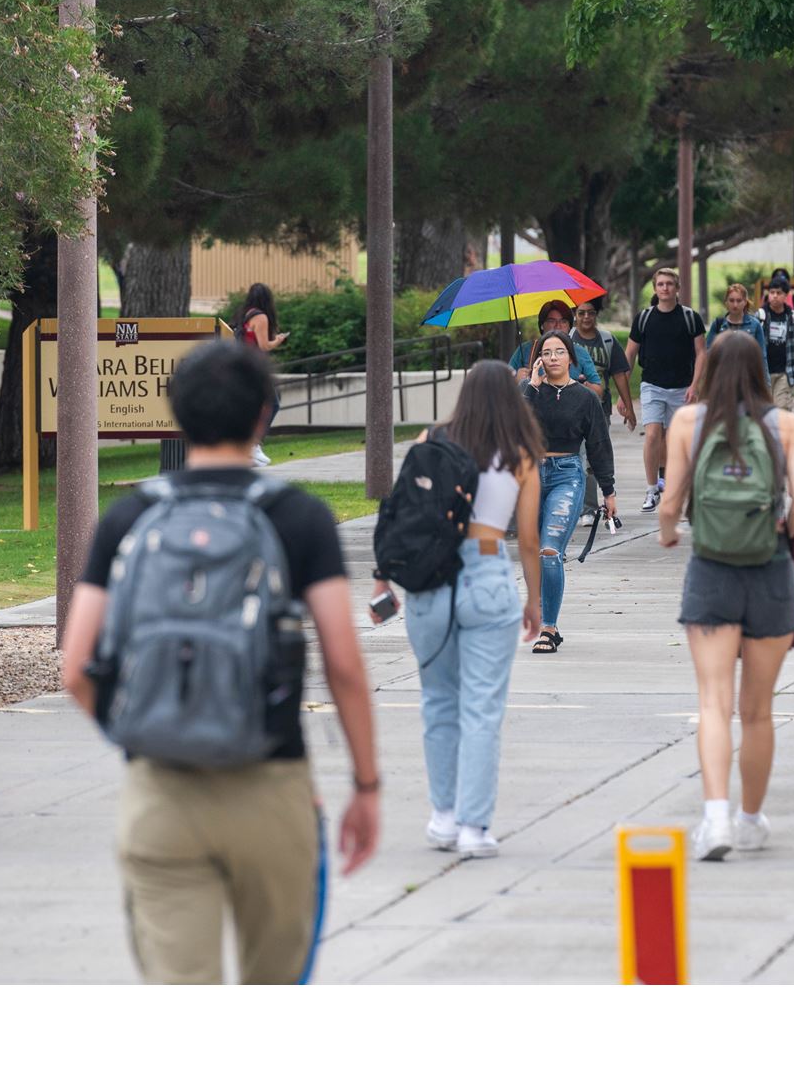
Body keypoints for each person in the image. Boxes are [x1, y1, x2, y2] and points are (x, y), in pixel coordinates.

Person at [58, 338, 380, 983]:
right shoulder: (299, 518)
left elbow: (75, 665)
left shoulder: (131, 516)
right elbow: (343, 664)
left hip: (162, 793)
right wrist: (366, 786)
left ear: (179, 416)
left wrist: (141, 734)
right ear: (263, 415)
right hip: (271, 785)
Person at [658, 332, 794, 859]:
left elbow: (669, 503)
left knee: (713, 703)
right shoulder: (788, 425)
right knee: (757, 712)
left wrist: (670, 534)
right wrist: (781, 530)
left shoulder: (687, 422)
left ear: (708, 369)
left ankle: (716, 818)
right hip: (771, 574)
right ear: (760, 368)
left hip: (712, 572)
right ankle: (750, 819)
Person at [393, 362, 544, 859]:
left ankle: (442, 816)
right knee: (482, 706)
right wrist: (534, 601)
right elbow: (528, 539)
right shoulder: (521, 456)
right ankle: (474, 826)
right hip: (486, 573)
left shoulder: (431, 439)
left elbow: (405, 510)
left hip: (433, 578)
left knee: (438, 701)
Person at [525, 331, 617, 654]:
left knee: (550, 550)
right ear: (538, 359)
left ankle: (547, 628)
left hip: (567, 475)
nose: (552, 358)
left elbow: (599, 446)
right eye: (546, 352)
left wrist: (609, 491)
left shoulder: (585, 398)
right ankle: (546, 615)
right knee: (537, 555)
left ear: (570, 357)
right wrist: (532, 387)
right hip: (531, 475)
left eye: (559, 351)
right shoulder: (531, 393)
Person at [629, 268, 707, 513]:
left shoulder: (689, 317)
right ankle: (652, 489)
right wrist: (623, 392)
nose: (665, 288)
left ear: (677, 288)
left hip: (682, 388)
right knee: (652, 435)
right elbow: (629, 353)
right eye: (660, 284)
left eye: (669, 284)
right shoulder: (644, 318)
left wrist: (695, 386)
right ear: (655, 288)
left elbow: (701, 353)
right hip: (652, 385)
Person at [235, 283, 290, 466]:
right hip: (255, 366)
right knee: (272, 404)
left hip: (243, 365)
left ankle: (249, 447)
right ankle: (253, 445)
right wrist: (278, 340)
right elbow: (264, 345)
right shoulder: (261, 317)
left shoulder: (246, 314)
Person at [509, 298, 604, 396]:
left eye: (563, 321)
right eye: (551, 321)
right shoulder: (525, 350)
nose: (558, 326)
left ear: (569, 326)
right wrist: (516, 381)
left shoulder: (579, 352)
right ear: (542, 325)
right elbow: (503, 387)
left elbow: (598, 391)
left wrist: (582, 386)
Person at [572, 298, 634, 430]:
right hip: (572, 408)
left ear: (596, 314)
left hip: (601, 408)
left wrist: (629, 408)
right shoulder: (567, 339)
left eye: (591, 313)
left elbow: (619, 375)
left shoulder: (608, 340)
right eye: (581, 313)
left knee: (599, 449)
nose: (586, 317)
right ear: (575, 315)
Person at [758, 270, 794, 413]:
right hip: (764, 372)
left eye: (779, 293)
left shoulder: (793, 317)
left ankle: (782, 435)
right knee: (764, 411)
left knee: (782, 410)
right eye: (772, 292)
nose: (774, 296)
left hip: (786, 372)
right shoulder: (760, 316)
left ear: (786, 295)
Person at [707, 281, 769, 368]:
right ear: (726, 302)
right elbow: (709, 354)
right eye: (731, 300)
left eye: (739, 301)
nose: (735, 305)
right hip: (723, 376)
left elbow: (762, 357)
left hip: (747, 377)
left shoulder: (755, 325)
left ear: (745, 302)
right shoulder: (718, 324)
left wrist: (765, 381)